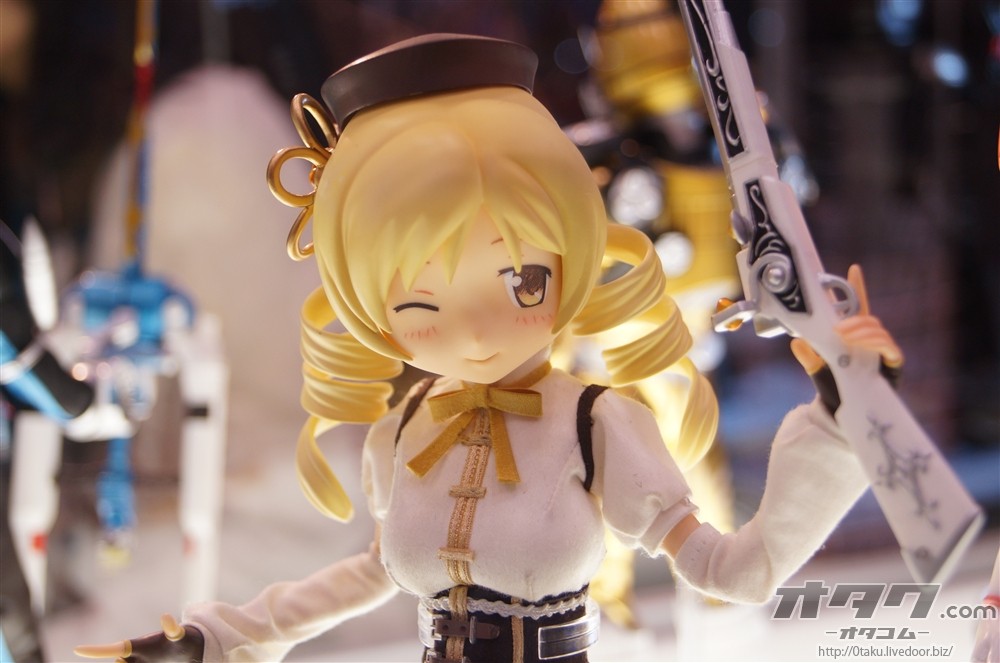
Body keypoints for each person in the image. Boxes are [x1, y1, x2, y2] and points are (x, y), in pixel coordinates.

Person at [76, 34, 901, 663]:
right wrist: (219, 639)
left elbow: (734, 568)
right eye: (420, 302)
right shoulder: (405, 431)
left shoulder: (595, 423)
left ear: (572, 254)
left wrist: (842, 423)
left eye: (522, 282)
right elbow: (370, 573)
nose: (475, 330)